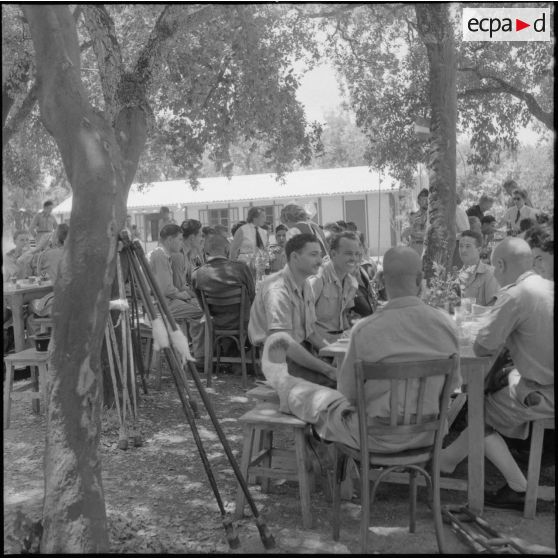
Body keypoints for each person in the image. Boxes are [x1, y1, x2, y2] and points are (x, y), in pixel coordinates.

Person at [259, 246, 459, 453]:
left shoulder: (366, 330)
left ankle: (283, 384)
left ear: (381, 281)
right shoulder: (446, 326)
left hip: (372, 436)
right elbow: (452, 387)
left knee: (310, 395)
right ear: (420, 280)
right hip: (428, 435)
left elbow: (348, 394)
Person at [440, 237, 553, 509]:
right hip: (544, 380)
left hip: (545, 393)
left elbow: (481, 348)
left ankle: (519, 488)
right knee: (498, 382)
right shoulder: (547, 286)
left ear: (500, 264)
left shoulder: (514, 295)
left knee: (478, 409)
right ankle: (449, 459)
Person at [248, 233, 337, 387]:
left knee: (354, 369)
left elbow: (311, 333)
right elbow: (283, 344)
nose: (319, 261)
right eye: (314, 255)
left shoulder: (305, 284)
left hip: (301, 353)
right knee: (346, 382)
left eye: (320, 255)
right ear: (295, 257)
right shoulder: (277, 289)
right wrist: (327, 369)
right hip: (280, 361)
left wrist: (334, 353)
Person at [148, 224, 205, 368]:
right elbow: (166, 289)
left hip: (165, 302)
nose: (181, 242)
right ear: (169, 240)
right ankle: (198, 356)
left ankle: (193, 354)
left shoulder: (163, 255)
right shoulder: (160, 255)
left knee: (199, 307)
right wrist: (184, 295)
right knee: (204, 312)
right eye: (179, 239)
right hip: (161, 306)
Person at [191, 233, 255, 330]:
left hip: (215, 328)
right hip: (244, 326)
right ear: (227, 249)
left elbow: (203, 308)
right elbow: (252, 297)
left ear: (206, 251)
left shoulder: (197, 275)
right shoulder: (241, 268)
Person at [308, 232, 360, 344]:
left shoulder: (352, 283)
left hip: (339, 342)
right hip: (317, 346)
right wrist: (325, 350)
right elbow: (303, 324)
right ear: (333, 254)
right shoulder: (318, 279)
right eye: (348, 253)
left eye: (357, 254)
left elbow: (344, 317)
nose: (354, 258)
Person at [457, 230, 499, 306]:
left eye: (468, 246)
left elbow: (493, 308)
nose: (463, 250)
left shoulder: (490, 274)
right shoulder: (456, 275)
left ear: (479, 250)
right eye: (461, 246)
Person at [229, 207, 269, 274]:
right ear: (254, 217)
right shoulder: (242, 230)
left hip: (259, 268)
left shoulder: (264, 232)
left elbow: (264, 251)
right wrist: (233, 270)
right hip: (244, 268)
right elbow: (233, 251)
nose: (265, 219)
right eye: (263, 216)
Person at [401, 188, 428, 256]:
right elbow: (404, 235)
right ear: (418, 201)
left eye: (428, 199)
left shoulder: (433, 217)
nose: (426, 201)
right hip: (415, 247)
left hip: (429, 248)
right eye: (424, 199)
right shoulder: (412, 216)